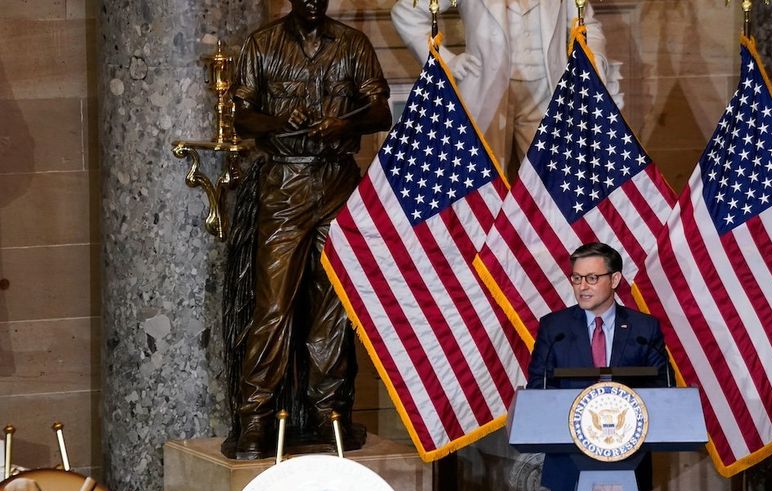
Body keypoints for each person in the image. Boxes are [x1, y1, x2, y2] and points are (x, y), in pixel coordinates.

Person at [226, 0, 392, 459]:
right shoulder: (262, 44)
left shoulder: (353, 44)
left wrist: (346, 121)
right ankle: (255, 417)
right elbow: (241, 117)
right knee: (273, 306)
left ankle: (329, 411)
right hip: (285, 185)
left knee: (334, 306)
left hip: (338, 182)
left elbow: (381, 112)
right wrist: (279, 123)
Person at [526, 242, 668, 491]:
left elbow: (661, 388)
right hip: (568, 460)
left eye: (592, 278)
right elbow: (539, 386)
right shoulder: (555, 327)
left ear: (615, 280)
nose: (583, 287)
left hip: (628, 460)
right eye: (577, 279)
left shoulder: (645, 328)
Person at [391, 0, 614, 170]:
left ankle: (545, 229)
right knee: (485, 174)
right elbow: (406, 12)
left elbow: (587, 24)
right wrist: (446, 61)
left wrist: (592, 63)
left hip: (547, 90)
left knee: (552, 175)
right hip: (487, 91)